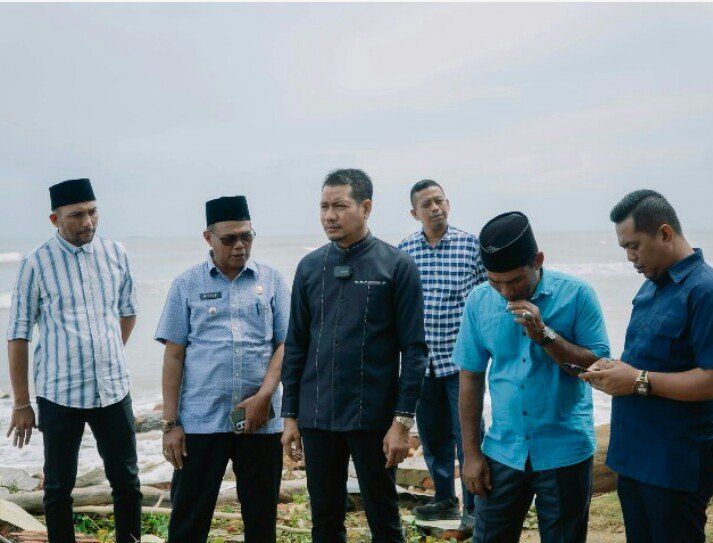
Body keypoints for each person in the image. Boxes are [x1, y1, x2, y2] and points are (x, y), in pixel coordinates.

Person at [280, 168, 428, 543]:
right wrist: (291, 416)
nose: (330, 216)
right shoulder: (310, 267)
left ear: (366, 207)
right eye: (324, 207)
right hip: (318, 416)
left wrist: (402, 422)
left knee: (383, 516)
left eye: (340, 206)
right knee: (325, 519)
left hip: (373, 418)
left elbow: (414, 350)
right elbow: (296, 344)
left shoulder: (396, 266)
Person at [455, 211, 610, 543]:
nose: (504, 291)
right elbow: (470, 377)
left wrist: (544, 336)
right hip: (502, 450)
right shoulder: (479, 301)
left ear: (538, 260)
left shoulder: (577, 295)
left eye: (514, 281)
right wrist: (471, 454)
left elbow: (597, 367)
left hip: (565, 449)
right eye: (495, 281)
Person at [6, 178, 142, 543]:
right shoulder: (36, 264)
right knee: (58, 487)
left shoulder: (116, 253)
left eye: (93, 212)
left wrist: (108, 354)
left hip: (113, 390)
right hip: (59, 395)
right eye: (77, 215)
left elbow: (128, 311)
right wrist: (21, 402)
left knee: (127, 482)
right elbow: (18, 334)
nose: (88, 222)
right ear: (55, 219)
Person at [155, 196, 289, 543]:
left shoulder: (272, 281)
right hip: (202, 421)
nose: (240, 246)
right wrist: (170, 424)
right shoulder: (187, 284)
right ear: (208, 238)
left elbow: (285, 344)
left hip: (260, 421)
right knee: (188, 521)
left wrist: (265, 395)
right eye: (229, 239)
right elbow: (174, 356)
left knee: (261, 519)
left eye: (247, 236)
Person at [581, 190, 713, 543]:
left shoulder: (705, 290)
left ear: (665, 233)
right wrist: (612, 369)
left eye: (634, 246)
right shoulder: (648, 289)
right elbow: (647, 361)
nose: (630, 257)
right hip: (632, 456)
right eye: (624, 248)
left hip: (673, 465)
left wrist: (638, 380)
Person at [397, 179, 486, 528]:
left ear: (448, 203)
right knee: (433, 438)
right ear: (414, 213)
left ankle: (475, 508)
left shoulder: (471, 246)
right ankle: (445, 500)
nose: (435, 208)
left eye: (439, 201)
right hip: (422, 363)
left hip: (462, 362)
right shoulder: (404, 251)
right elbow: (399, 306)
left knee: (469, 436)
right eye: (427, 204)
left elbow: (488, 298)